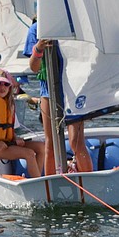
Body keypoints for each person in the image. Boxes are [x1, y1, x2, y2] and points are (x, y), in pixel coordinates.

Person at [23, 21, 93, 175]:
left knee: (76, 142)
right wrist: (39, 47)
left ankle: (88, 180)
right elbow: (34, 67)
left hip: (74, 91)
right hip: (49, 92)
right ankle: (50, 183)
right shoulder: (36, 29)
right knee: (51, 143)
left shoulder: (74, 25)